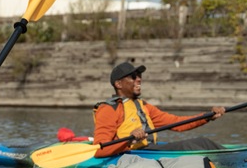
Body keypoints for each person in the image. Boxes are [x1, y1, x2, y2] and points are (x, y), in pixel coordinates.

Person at [92, 62, 226, 158]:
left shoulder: (143, 106)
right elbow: (99, 150)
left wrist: (208, 116)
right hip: (129, 155)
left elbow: (177, 123)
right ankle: (232, 162)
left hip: (148, 151)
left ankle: (238, 160)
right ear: (118, 84)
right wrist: (129, 140)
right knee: (191, 146)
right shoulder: (109, 109)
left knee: (203, 142)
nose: (138, 79)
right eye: (133, 76)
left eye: (139, 75)